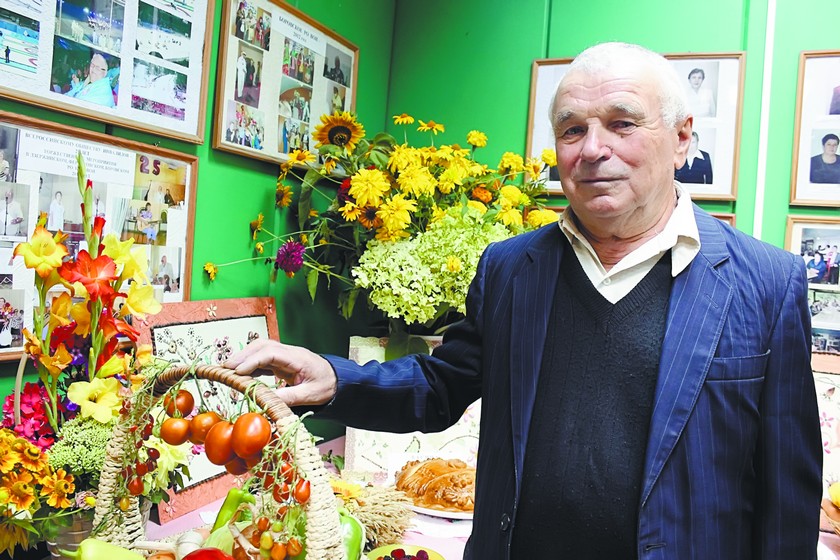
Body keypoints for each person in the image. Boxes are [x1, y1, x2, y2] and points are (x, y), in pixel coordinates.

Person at [225, 42, 821, 559]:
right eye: (572, 130)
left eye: (622, 124)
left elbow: (787, 496)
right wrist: (335, 377)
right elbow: (440, 385)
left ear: (682, 138)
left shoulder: (766, 283)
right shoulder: (511, 268)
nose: (593, 149)